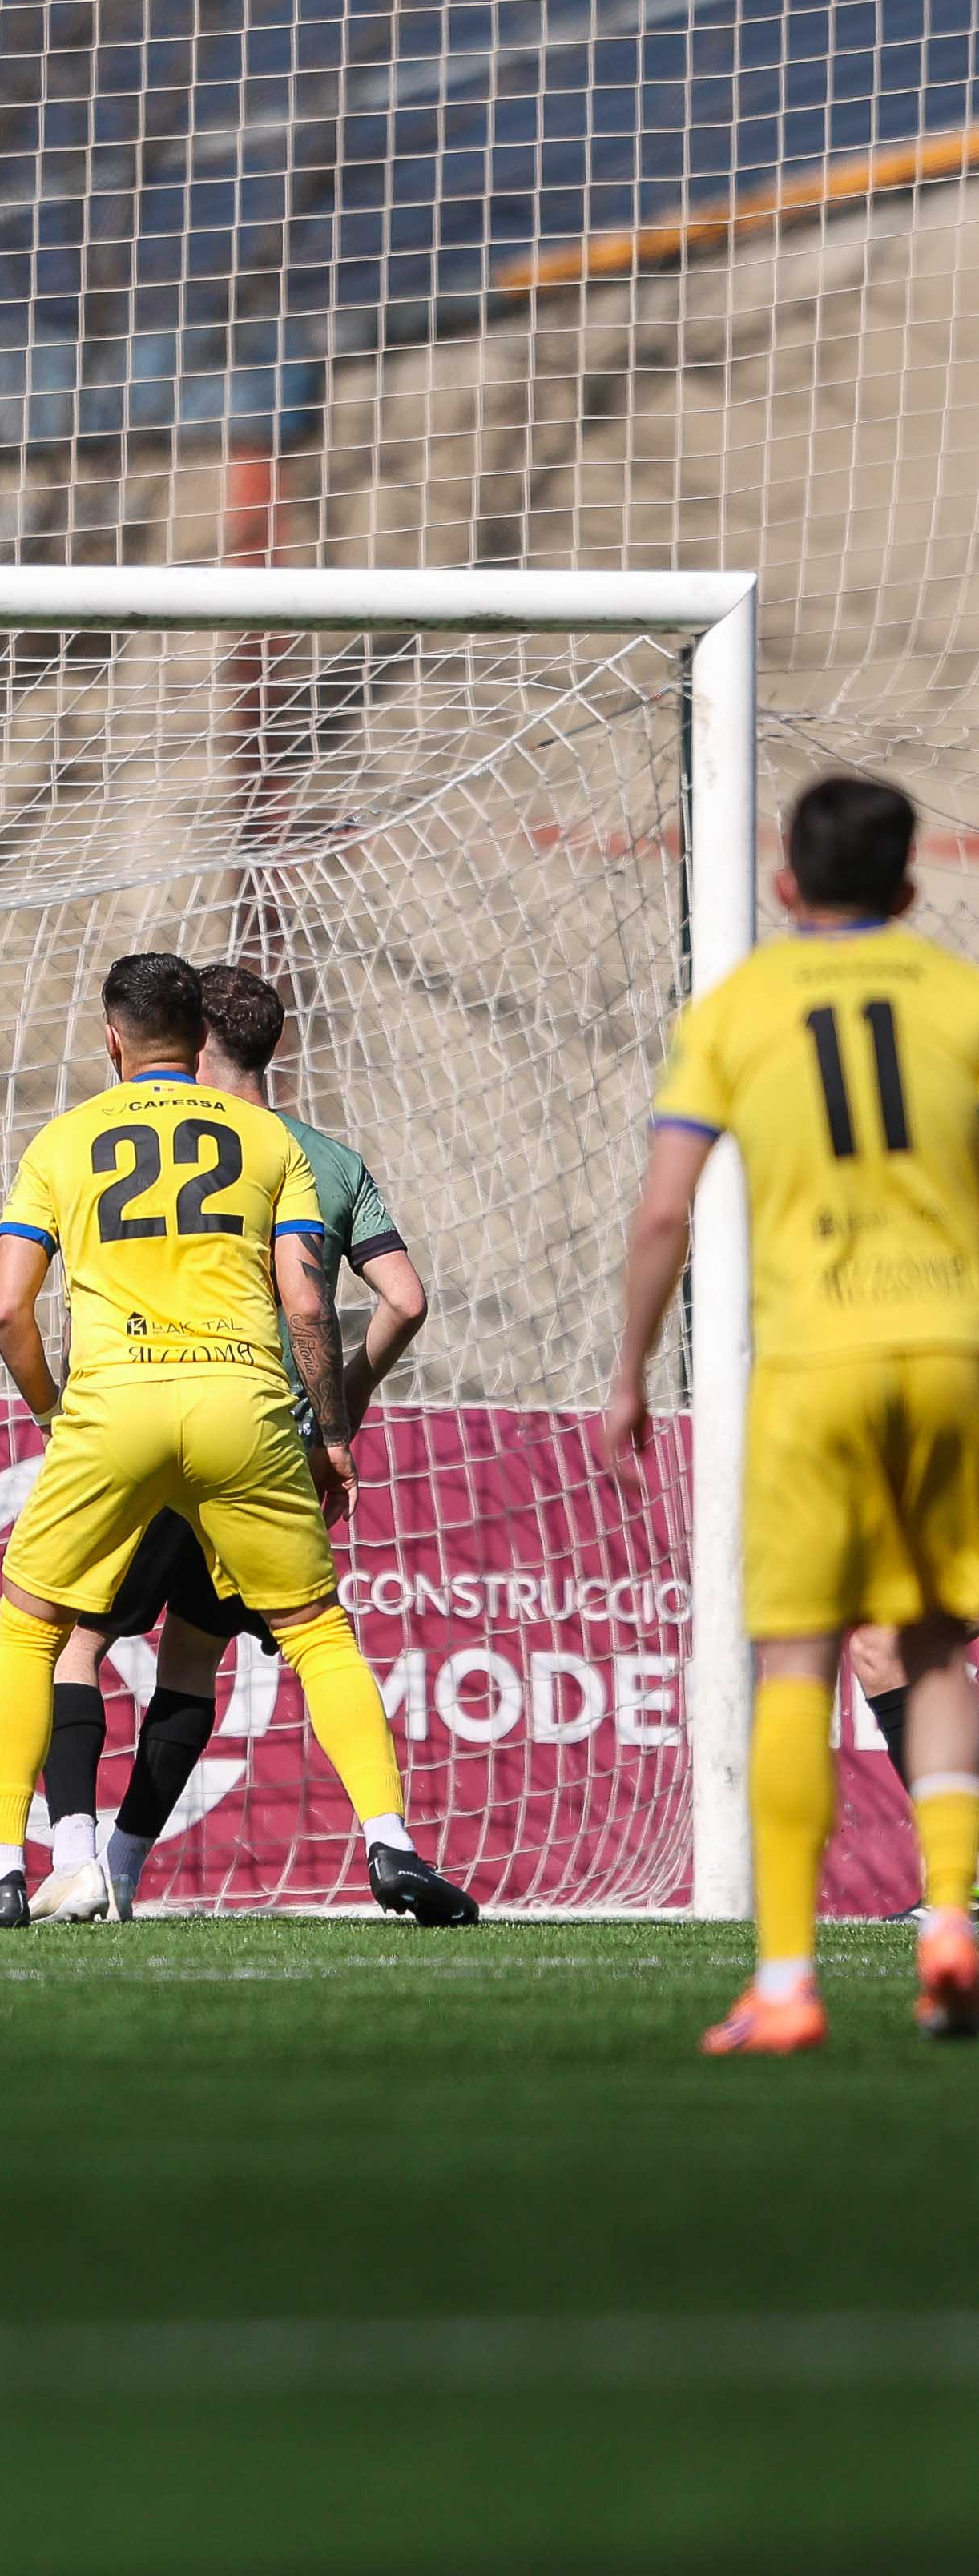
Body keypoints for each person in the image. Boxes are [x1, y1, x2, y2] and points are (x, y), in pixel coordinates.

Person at [0, 952, 473, 1932]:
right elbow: (307, 1301)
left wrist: (55, 1409)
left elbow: (6, 1308)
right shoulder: (273, 1143)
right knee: (315, 1630)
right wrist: (333, 1432)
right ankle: (392, 1844)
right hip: (244, 1405)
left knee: (36, 1624)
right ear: (199, 1038)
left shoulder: (65, 1137)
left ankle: (7, 1868)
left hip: (116, 1407)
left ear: (112, 1038)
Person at [602, 773, 979, 2052]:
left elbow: (664, 1212)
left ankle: (785, 1984)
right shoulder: (962, 999)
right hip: (947, 1350)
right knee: (932, 1645)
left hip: (817, 1361)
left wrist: (631, 1370)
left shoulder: (742, 1005)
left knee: (802, 1656)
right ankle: (949, 1924)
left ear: (783, 884)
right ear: (913, 889)